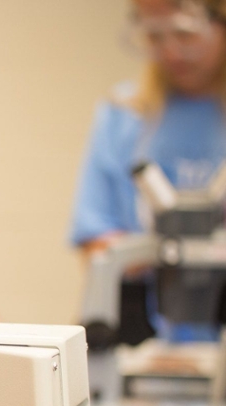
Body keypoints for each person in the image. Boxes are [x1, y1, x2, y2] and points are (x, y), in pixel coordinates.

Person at [70, 0, 226, 340]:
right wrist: (165, 250)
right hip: (146, 337)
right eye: (154, 37)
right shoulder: (123, 116)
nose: (171, 53)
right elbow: (96, 245)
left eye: (185, 34)